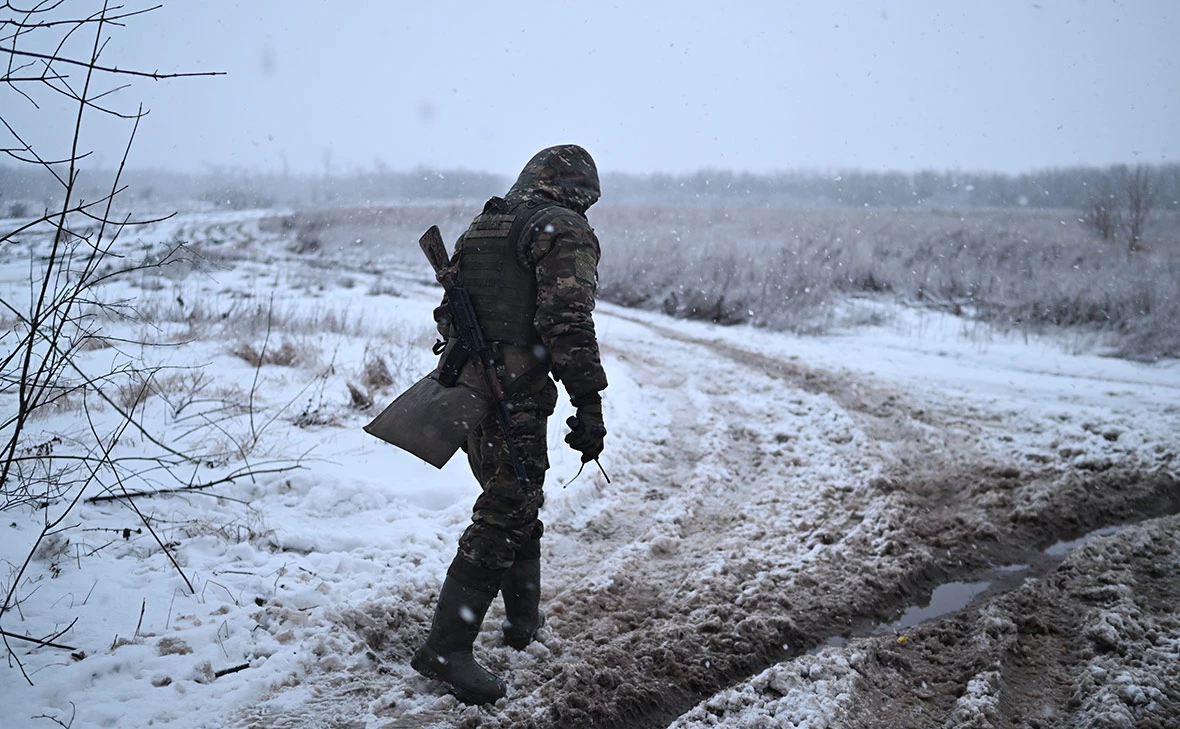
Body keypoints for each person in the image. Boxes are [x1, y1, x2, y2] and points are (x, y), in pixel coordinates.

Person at [410, 144, 609, 704]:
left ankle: (522, 625)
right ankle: (446, 648)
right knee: (508, 508)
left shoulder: (487, 223)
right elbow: (566, 320)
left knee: (516, 500)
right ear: (579, 189)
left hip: (469, 386)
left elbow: (450, 313)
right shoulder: (561, 228)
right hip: (510, 390)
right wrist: (588, 400)